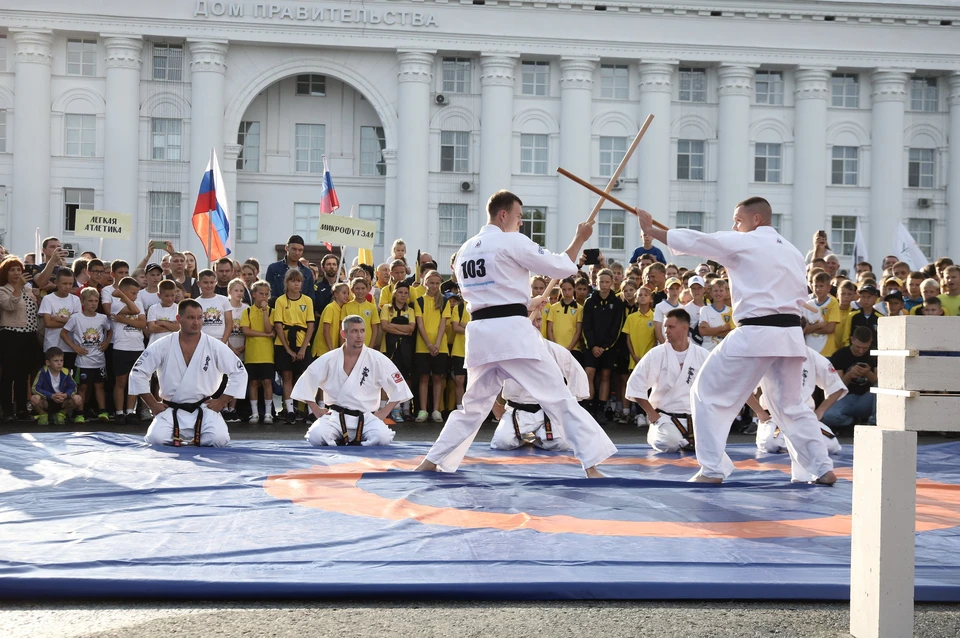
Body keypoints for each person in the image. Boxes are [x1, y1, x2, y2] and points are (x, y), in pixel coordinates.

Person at [415, 190, 617, 478]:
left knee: (471, 408)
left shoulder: (465, 250)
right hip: (512, 337)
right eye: (519, 216)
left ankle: (432, 460)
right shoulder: (511, 241)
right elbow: (561, 266)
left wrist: (527, 303)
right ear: (503, 215)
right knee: (558, 397)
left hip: (482, 335)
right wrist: (580, 238)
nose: (521, 222)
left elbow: (488, 295)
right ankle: (592, 466)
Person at [637, 196, 836, 484]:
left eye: (738, 220)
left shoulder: (747, 241)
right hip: (790, 336)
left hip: (756, 333)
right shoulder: (792, 252)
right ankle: (822, 467)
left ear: (756, 220)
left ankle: (712, 469)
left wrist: (652, 230)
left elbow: (702, 241)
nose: (734, 225)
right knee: (790, 406)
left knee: (706, 394)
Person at [132, 299, 248, 447]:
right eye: (191, 318)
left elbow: (239, 372)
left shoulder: (214, 345)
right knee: (156, 439)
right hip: (171, 408)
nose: (196, 322)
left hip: (204, 408)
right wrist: (152, 404)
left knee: (218, 440)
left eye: (200, 318)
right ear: (179, 319)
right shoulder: (163, 345)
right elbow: (138, 373)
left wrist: (222, 401)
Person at [292, 315, 413, 446]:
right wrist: (315, 408)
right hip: (336, 416)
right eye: (354, 331)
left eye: (362, 331)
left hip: (366, 417)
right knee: (317, 437)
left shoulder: (377, 359)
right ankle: (341, 437)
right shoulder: (330, 358)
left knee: (382, 438)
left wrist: (384, 411)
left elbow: (399, 387)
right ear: (344, 333)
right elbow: (307, 380)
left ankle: (348, 439)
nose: (359, 336)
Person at [490, 312, 587, 452]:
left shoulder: (554, 350)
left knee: (562, 444)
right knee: (502, 442)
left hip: (547, 411)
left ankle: (536, 436)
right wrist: (495, 407)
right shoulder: (507, 351)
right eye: (531, 320)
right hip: (517, 412)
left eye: (539, 320)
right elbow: (487, 380)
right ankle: (529, 436)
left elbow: (577, 375)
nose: (536, 324)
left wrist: (568, 409)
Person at [755, 346, 848, 481]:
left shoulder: (811, 355)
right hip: (775, 418)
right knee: (771, 441)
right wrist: (759, 412)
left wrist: (820, 411)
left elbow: (837, 386)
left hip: (805, 417)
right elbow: (741, 386)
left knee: (832, 444)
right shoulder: (767, 352)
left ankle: (820, 469)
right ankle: (818, 467)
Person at [626, 309, 710, 453]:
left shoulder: (702, 355)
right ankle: (661, 434)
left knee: (712, 442)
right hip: (664, 417)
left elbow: (715, 386)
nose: (666, 331)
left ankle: (689, 440)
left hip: (694, 417)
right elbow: (635, 385)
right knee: (669, 442)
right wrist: (651, 414)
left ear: (685, 328)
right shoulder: (656, 354)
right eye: (665, 327)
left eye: (670, 327)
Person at [0, 257, 42, 421]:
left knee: (23, 375)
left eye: (19, 269)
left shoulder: (28, 289)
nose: (17, 273)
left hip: (29, 335)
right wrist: (17, 287)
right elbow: (10, 306)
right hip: (11, 335)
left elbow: (34, 310)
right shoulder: (3, 290)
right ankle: (8, 411)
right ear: (5, 273)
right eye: (12, 270)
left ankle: (22, 409)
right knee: (9, 374)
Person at [61, 288, 112, 422]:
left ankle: (102, 412)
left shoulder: (102, 318)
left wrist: (106, 342)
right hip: (83, 361)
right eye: (90, 301)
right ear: (83, 301)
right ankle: (79, 413)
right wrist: (74, 347)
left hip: (99, 360)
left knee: (99, 386)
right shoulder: (76, 318)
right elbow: (63, 333)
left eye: (96, 301)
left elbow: (110, 330)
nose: (93, 304)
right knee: (82, 387)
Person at [272, 268, 315, 423]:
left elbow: (310, 325)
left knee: (307, 376)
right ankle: (290, 410)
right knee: (287, 376)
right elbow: (278, 326)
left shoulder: (307, 301)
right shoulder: (281, 301)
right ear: (287, 283)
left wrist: (303, 348)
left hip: (303, 341)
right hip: (284, 343)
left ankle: (310, 410)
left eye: (298, 281)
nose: (296, 284)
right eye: (293, 281)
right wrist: (288, 349)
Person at [822, 327, 878, 429]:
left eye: (865, 348)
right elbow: (837, 387)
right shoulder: (840, 355)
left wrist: (868, 374)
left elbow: (879, 382)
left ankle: (874, 422)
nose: (861, 351)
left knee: (880, 389)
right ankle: (852, 423)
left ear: (870, 342)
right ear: (852, 340)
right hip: (845, 397)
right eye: (858, 347)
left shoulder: (875, 354)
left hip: (866, 398)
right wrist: (849, 375)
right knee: (829, 416)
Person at [413, 270, 450, 423]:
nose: (434, 286)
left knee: (437, 378)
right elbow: (420, 325)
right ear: (425, 283)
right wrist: (428, 344)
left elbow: (443, 325)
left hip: (440, 346)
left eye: (437, 283)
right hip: (423, 346)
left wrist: (437, 344)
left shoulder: (445, 301)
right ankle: (422, 410)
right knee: (423, 377)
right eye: (431, 282)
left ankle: (436, 410)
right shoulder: (419, 301)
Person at [109, 277, 146, 424]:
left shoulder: (139, 303)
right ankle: (119, 412)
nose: (136, 296)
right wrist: (123, 297)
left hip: (138, 347)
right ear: (123, 292)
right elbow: (134, 311)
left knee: (133, 381)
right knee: (121, 381)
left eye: (137, 293)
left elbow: (142, 323)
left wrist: (124, 320)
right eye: (132, 293)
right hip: (122, 347)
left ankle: (130, 411)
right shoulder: (115, 305)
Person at [239, 280, 276, 424]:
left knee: (267, 382)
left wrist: (265, 311)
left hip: (267, 354)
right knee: (253, 382)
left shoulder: (271, 311)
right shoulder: (247, 311)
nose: (264, 297)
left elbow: (268, 328)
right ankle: (254, 413)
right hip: (252, 354)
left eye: (266, 294)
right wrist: (265, 335)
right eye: (261, 294)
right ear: (254, 294)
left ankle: (268, 413)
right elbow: (246, 331)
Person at [380, 280, 416, 422]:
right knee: (387, 378)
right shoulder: (387, 308)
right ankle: (385, 409)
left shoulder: (410, 310)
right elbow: (384, 326)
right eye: (400, 292)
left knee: (405, 377)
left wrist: (393, 327)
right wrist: (403, 330)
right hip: (389, 348)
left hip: (406, 348)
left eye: (405, 293)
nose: (403, 295)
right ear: (395, 294)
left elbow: (411, 328)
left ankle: (404, 408)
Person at [38, 270, 82, 371]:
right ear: (56, 283)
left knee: (67, 377)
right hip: (52, 345)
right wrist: (69, 321)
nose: (68, 286)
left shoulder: (75, 300)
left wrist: (57, 318)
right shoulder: (48, 299)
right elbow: (48, 323)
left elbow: (77, 323)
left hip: (70, 347)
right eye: (64, 283)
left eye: (70, 284)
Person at [30, 347, 83, 425]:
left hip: (62, 400)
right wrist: (51, 396)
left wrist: (65, 395)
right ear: (48, 362)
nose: (59, 363)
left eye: (61, 360)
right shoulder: (43, 372)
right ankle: (43, 414)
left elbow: (73, 387)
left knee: (78, 399)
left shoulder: (66, 372)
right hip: (47, 401)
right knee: (34, 398)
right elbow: (35, 388)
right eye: (56, 361)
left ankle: (62, 414)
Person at [265, 235, 316, 307]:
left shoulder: (307, 272)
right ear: (287, 248)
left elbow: (311, 298)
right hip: (278, 311)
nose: (297, 253)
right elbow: (269, 293)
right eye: (294, 249)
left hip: (300, 313)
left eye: (300, 250)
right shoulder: (273, 268)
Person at [805, 272, 841, 357]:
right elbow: (805, 329)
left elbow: (830, 329)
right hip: (809, 350)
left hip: (826, 352)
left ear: (829, 288)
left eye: (821, 286)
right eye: (816, 286)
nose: (818, 289)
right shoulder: (808, 304)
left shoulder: (833, 302)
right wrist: (819, 325)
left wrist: (811, 328)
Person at [195, 269, 233, 345]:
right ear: (199, 283)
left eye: (211, 282)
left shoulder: (224, 300)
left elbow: (229, 323)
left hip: (221, 340)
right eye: (205, 283)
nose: (209, 286)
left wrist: (223, 342)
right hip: (202, 341)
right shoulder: (196, 302)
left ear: (216, 282)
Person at [844, 284, 882, 348]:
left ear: (875, 298)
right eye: (863, 297)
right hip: (855, 353)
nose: (866, 300)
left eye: (869, 297)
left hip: (873, 354)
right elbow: (846, 338)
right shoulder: (852, 315)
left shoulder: (880, 318)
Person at [146, 280, 180, 346]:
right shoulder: (153, 308)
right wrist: (171, 326)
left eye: (172, 295)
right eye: (166, 296)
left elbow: (179, 327)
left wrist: (162, 323)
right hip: (155, 344)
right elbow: (152, 328)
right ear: (159, 295)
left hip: (173, 345)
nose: (170, 299)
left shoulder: (178, 308)